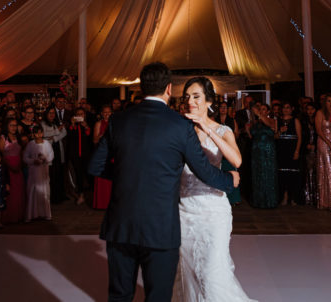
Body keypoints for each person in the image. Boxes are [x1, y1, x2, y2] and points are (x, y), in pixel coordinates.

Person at [88, 62, 238, 302]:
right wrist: (229, 179)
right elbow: (205, 172)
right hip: (161, 228)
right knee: (158, 296)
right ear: (169, 89)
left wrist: (129, 174)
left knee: (120, 295)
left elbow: (94, 166)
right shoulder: (180, 125)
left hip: (121, 225)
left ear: (141, 87)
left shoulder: (118, 120)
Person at [171, 77, 254, 301]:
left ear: (209, 101)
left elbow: (236, 160)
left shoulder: (222, 129)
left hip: (214, 211)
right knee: (186, 273)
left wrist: (206, 126)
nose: (190, 101)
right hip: (185, 211)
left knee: (212, 273)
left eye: (196, 96)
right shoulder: (180, 129)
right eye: (187, 97)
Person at [250, 103, 278, 209]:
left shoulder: (272, 120)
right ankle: (259, 201)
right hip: (256, 151)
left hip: (267, 151)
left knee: (267, 174)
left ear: (268, 111)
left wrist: (258, 114)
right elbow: (251, 134)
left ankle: (269, 201)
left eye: (263, 109)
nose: (261, 111)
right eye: (260, 109)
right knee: (258, 175)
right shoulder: (256, 122)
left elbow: (270, 126)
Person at [24, 125, 54, 221]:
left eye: (40, 132)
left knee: (44, 191)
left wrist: (45, 158)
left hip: (43, 171)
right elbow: (25, 157)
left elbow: (51, 155)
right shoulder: (30, 144)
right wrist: (33, 161)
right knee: (33, 190)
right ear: (33, 134)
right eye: (37, 133)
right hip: (34, 172)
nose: (39, 135)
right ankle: (32, 214)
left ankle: (45, 213)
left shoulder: (47, 144)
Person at [0, 119, 26, 224]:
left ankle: (18, 215)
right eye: (11, 125)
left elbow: (21, 153)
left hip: (18, 168)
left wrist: (20, 165)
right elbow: (1, 155)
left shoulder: (18, 138)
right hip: (8, 168)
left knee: (18, 192)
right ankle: (9, 217)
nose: (14, 127)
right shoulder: (3, 138)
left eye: (15, 125)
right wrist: (9, 166)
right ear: (7, 126)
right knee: (10, 193)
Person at [276, 103, 302, 206]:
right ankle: (284, 196)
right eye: (284, 107)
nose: (286, 109)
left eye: (288, 107)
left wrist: (297, 151)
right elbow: (275, 137)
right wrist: (280, 131)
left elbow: (299, 137)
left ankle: (293, 197)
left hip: (292, 149)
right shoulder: (278, 121)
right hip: (282, 149)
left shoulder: (295, 121)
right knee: (282, 174)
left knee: (293, 174)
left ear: (291, 109)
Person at [42, 107, 67, 203]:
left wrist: (54, 138)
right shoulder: (43, 123)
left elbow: (64, 132)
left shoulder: (57, 122)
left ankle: (59, 196)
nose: (52, 115)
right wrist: (57, 131)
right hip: (49, 150)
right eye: (50, 113)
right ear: (46, 114)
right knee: (51, 174)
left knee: (59, 173)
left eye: (53, 113)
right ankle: (52, 197)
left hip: (58, 149)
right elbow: (44, 134)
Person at [92, 105, 113, 210]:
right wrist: (103, 134)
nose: (107, 114)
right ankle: (101, 204)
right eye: (105, 112)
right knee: (102, 179)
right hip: (101, 154)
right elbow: (95, 141)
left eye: (109, 112)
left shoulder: (115, 123)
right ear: (101, 113)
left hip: (112, 154)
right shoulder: (98, 123)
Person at [299, 102, 317, 205]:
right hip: (306, 150)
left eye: (312, 109)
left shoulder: (318, 120)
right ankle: (308, 197)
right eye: (308, 109)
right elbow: (301, 136)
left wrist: (315, 145)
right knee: (307, 173)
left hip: (316, 149)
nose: (310, 111)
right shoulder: (303, 122)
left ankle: (316, 196)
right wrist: (306, 145)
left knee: (316, 173)